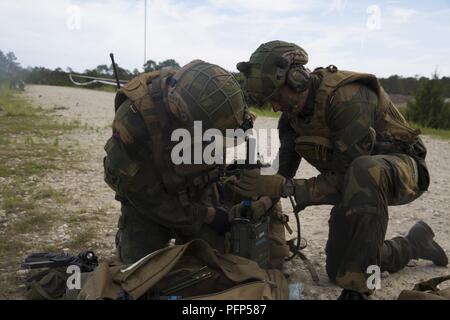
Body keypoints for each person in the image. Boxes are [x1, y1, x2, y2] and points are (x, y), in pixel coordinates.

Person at [234, 40, 448, 299]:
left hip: (404, 170)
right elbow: (285, 168)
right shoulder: (292, 118)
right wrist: (264, 200)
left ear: (297, 78)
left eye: (277, 97)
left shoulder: (348, 99)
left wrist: (285, 187)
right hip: (359, 184)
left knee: (364, 170)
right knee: (339, 269)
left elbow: (347, 179)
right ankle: (414, 245)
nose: (275, 106)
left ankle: (359, 289)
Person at [103, 59, 289, 268]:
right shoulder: (133, 120)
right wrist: (205, 215)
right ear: (182, 117)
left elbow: (242, 144)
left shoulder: (214, 99)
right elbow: (140, 193)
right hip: (150, 198)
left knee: (213, 261)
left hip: (196, 187)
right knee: (139, 266)